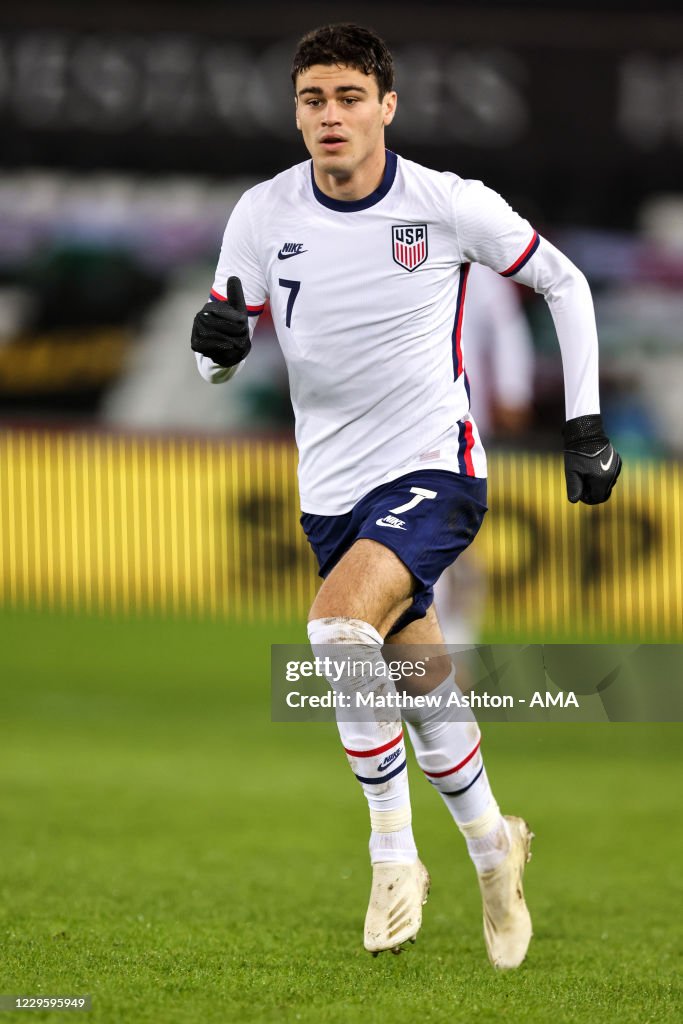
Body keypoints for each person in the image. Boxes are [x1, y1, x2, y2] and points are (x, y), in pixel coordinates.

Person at [190, 23, 621, 968]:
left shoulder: (447, 205)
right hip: (329, 489)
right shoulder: (262, 215)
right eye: (313, 99)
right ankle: (490, 844)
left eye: (349, 97)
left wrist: (582, 424)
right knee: (419, 685)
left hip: (436, 466)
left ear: (387, 105)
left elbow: (565, 281)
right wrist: (216, 354)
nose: (330, 116)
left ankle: (392, 854)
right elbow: (219, 351)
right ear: (295, 111)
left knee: (336, 630)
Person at [434, 264, 535, 644]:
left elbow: (507, 327)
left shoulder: (473, 266)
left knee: (452, 535)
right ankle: (447, 646)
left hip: (464, 419)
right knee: (436, 534)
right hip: (404, 420)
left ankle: (453, 643)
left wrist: (513, 389)